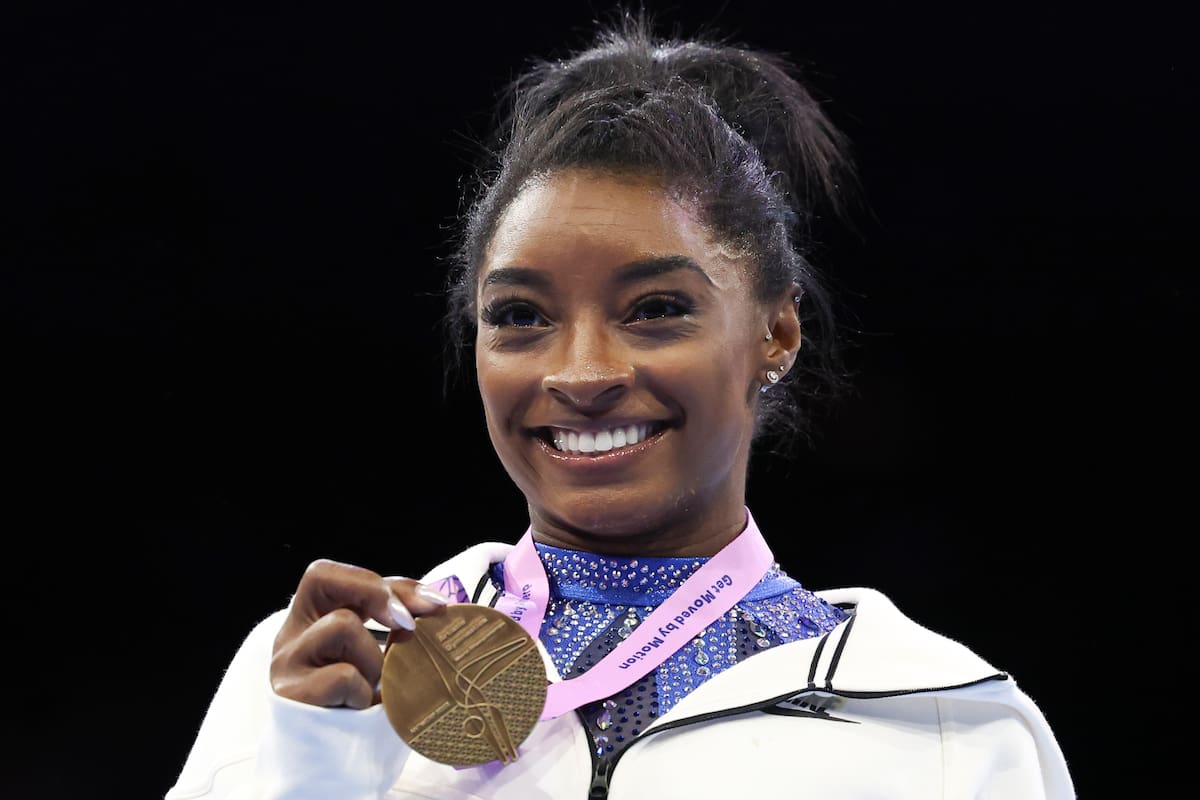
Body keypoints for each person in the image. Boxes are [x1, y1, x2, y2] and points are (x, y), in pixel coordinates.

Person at [166, 12, 1075, 800]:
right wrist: (310, 766)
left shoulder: (949, 729)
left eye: (656, 309)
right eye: (520, 317)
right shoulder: (313, 678)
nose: (582, 373)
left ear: (775, 333)